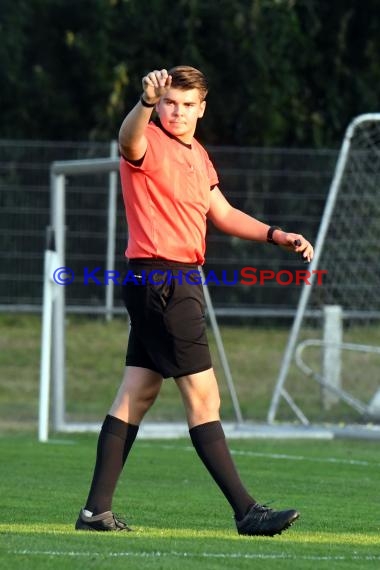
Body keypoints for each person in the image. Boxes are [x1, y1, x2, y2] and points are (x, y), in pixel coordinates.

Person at [75, 66, 314, 536]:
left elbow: (220, 212)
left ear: (202, 108)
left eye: (187, 105)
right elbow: (127, 140)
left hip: (167, 282)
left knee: (137, 393)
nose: (177, 112)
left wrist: (275, 235)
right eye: (170, 103)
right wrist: (144, 103)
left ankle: (94, 512)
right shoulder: (146, 139)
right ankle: (247, 512)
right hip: (164, 280)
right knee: (204, 396)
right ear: (159, 104)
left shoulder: (198, 154)